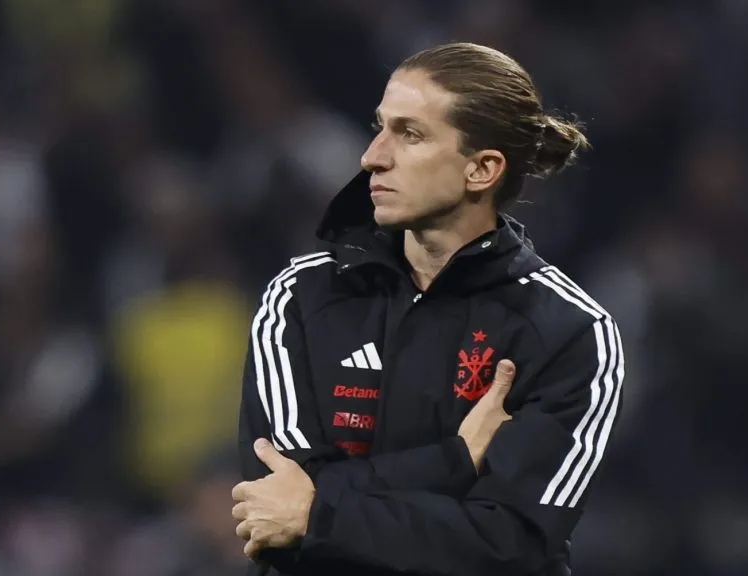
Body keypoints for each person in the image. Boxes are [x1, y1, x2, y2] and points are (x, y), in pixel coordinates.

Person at [231, 42, 624, 576]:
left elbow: (513, 545)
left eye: (409, 134)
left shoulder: (570, 331)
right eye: (380, 127)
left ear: (481, 170)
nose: (373, 156)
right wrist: (454, 462)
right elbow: (272, 507)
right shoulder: (301, 296)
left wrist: (321, 514)